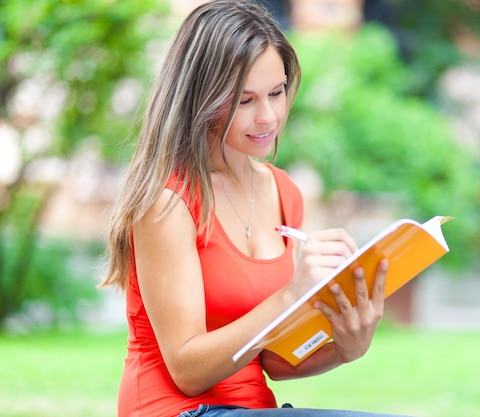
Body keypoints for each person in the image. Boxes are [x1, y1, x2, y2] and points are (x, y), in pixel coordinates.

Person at [100, 1, 404, 416]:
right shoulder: (167, 201)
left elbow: (274, 359)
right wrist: (292, 293)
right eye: (244, 101)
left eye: (276, 93)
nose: (268, 117)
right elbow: (188, 369)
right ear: (199, 97)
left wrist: (347, 347)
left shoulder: (283, 192)